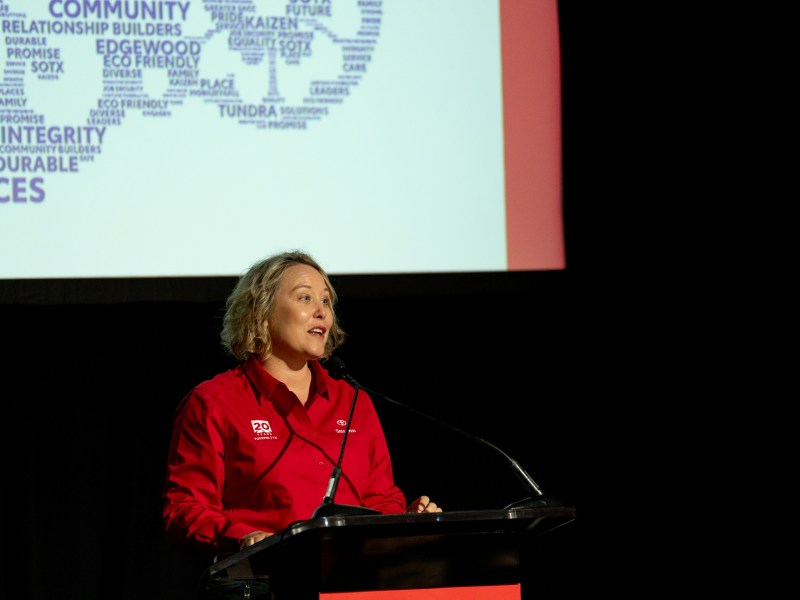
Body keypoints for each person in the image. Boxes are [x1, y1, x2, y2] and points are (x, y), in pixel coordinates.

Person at [162, 250, 441, 599]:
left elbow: (379, 496)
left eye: (326, 300)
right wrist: (246, 536)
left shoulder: (354, 400)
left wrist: (401, 521)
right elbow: (185, 509)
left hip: (355, 584)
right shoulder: (214, 401)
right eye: (305, 297)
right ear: (261, 312)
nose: (322, 310)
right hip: (267, 585)